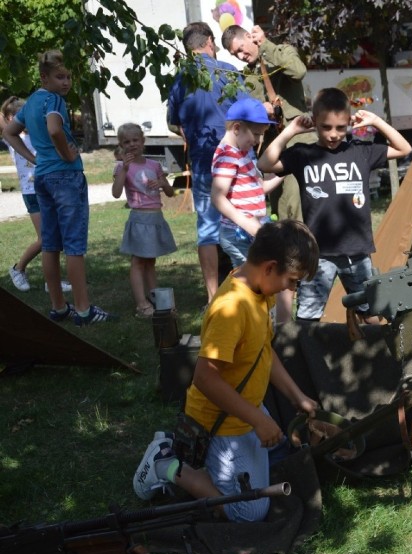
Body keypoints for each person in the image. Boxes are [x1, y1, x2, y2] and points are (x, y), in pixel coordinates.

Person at [132, 220, 320, 522]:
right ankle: (165, 464)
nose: (293, 290)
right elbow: (205, 378)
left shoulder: (261, 289)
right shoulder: (231, 308)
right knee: (249, 511)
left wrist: (297, 396)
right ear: (270, 267)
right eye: (293, 280)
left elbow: (263, 349)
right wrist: (258, 419)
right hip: (220, 423)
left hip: (245, 410)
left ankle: (213, 466)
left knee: (282, 460)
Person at [258, 87, 412, 323]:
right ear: (314, 123)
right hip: (317, 255)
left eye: (341, 127)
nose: (333, 134)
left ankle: (375, 356)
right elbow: (265, 163)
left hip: (357, 252)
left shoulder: (361, 152)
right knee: (308, 317)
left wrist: (376, 121)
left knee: (371, 313)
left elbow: (405, 148)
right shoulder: (303, 154)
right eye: (325, 127)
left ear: (350, 122)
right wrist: (291, 130)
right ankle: (308, 357)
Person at [2, 50, 114, 326]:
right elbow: (54, 129)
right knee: (74, 245)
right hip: (65, 177)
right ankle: (84, 310)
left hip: (43, 178)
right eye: (59, 77)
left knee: (50, 243)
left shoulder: (29, 104)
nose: (65, 83)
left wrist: (34, 159)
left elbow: (8, 133)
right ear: (44, 77)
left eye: (68, 77)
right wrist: (66, 154)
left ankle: (58, 307)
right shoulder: (54, 100)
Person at [168, 22, 246, 307]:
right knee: (239, 221)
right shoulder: (227, 71)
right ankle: (244, 291)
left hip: (202, 163)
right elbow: (248, 114)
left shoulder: (181, 79)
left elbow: (173, 123)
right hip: (232, 159)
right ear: (210, 42)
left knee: (208, 230)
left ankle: (213, 297)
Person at [211, 98, 296, 321]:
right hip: (238, 232)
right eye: (256, 134)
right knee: (253, 282)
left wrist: (285, 171)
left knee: (274, 272)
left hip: (254, 228)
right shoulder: (227, 156)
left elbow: (260, 189)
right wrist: (247, 223)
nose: (258, 140)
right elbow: (218, 198)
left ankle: (281, 325)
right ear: (237, 128)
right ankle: (255, 323)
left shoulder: (242, 154)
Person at [221, 25, 315, 222]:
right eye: (234, 54)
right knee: (281, 208)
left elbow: (298, 72)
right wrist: (258, 108)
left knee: (303, 204)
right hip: (273, 147)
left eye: (240, 48)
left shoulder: (281, 52)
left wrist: (265, 45)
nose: (240, 56)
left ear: (249, 36)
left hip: (299, 140)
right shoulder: (246, 76)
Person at [2, 96, 72, 294]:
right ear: (9, 118)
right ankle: (18, 269)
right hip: (32, 193)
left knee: (54, 237)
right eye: (18, 116)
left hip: (48, 188)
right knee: (46, 239)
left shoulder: (37, 134)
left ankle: (52, 281)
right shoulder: (13, 138)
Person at [111, 123, 177, 318]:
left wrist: (163, 182)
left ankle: (153, 297)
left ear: (143, 141)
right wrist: (124, 168)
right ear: (121, 145)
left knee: (150, 261)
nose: (132, 145)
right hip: (139, 219)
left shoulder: (154, 165)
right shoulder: (122, 166)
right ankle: (141, 304)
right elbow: (115, 193)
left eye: (135, 140)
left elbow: (171, 193)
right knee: (138, 261)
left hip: (156, 218)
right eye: (126, 142)